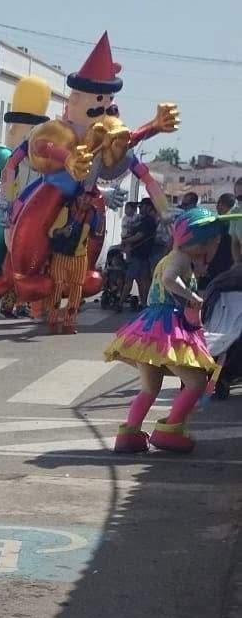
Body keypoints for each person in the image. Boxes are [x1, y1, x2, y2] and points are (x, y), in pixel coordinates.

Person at [108, 208, 226, 453]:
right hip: (166, 327)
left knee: (150, 388)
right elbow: (170, 280)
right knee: (195, 381)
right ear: (197, 240)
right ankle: (170, 431)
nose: (209, 250)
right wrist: (193, 296)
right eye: (208, 243)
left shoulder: (173, 256)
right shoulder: (180, 258)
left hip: (149, 327)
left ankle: (129, 434)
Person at [46, 189, 99, 334]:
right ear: (77, 196)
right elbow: (51, 232)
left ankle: (69, 324)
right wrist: (62, 232)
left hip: (80, 257)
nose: (86, 201)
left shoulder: (93, 214)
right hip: (61, 255)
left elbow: (94, 234)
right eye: (84, 197)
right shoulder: (66, 209)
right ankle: (52, 321)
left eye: (89, 198)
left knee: (76, 291)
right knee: (57, 288)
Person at [124, 199, 161, 313]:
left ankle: (122, 302)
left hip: (140, 254)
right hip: (140, 253)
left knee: (133, 278)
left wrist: (125, 241)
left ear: (149, 207)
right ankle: (144, 303)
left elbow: (138, 236)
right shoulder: (141, 219)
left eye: (142, 206)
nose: (140, 209)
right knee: (142, 279)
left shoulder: (148, 221)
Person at [199, 192, 236, 290]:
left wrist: (205, 263)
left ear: (221, 204)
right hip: (229, 265)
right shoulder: (235, 221)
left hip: (214, 265)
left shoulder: (219, 223)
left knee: (205, 293)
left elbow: (213, 245)